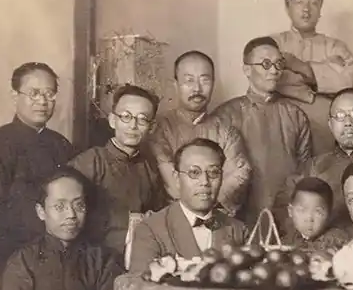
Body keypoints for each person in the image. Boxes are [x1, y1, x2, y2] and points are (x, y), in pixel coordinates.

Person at [0, 167, 124, 290]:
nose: (71, 214)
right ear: (41, 212)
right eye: (60, 206)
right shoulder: (23, 260)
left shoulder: (102, 258)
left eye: (79, 205)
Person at [0, 62, 76, 273]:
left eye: (49, 94)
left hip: (60, 257)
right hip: (9, 260)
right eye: (34, 93)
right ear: (15, 96)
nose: (42, 101)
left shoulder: (62, 146)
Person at [211, 37, 314, 227]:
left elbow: (306, 171)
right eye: (266, 64)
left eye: (278, 64)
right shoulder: (225, 116)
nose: (274, 71)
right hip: (238, 221)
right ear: (247, 70)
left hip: (288, 221)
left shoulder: (296, 115)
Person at [274, 88, 353, 227]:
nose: (348, 122)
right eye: (340, 116)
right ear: (330, 124)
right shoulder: (315, 166)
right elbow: (283, 207)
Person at [149, 51, 252, 216]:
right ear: (175, 85)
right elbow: (170, 181)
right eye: (189, 80)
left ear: (213, 83)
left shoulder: (226, 130)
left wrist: (207, 206)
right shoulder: (160, 128)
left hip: (216, 217)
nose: (197, 88)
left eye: (205, 80)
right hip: (169, 218)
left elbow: (239, 175)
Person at [70, 84, 167, 258]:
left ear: (151, 127)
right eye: (126, 117)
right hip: (93, 258)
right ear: (112, 120)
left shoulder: (150, 168)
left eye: (142, 119)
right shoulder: (89, 162)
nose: (133, 126)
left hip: (139, 256)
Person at [129, 139, 248, 274]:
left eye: (214, 172)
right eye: (194, 173)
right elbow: (140, 284)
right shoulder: (150, 230)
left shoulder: (239, 231)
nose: (205, 182)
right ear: (177, 178)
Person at [271, 0, 353, 155]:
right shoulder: (273, 44)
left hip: (323, 129)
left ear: (320, 9)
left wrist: (298, 66)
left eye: (314, 3)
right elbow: (272, 81)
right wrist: (325, 70)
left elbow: (348, 80)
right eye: (299, 2)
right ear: (287, 7)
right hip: (280, 126)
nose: (306, 9)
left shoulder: (335, 46)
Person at [282, 177, 350, 253]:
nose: (309, 218)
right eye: (302, 210)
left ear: (329, 214)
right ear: (290, 211)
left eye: (318, 212)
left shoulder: (337, 240)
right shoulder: (285, 242)